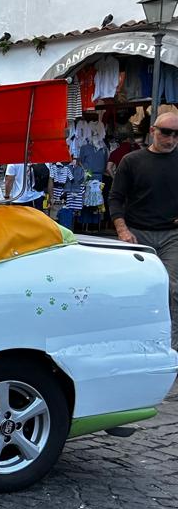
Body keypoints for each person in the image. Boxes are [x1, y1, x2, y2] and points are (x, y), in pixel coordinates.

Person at [109, 111, 178, 351]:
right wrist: (122, 230)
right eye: (166, 132)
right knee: (137, 289)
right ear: (152, 132)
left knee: (172, 289)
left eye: (176, 134)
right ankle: (135, 344)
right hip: (138, 234)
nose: (171, 139)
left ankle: (171, 349)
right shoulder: (132, 160)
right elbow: (116, 198)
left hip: (171, 235)